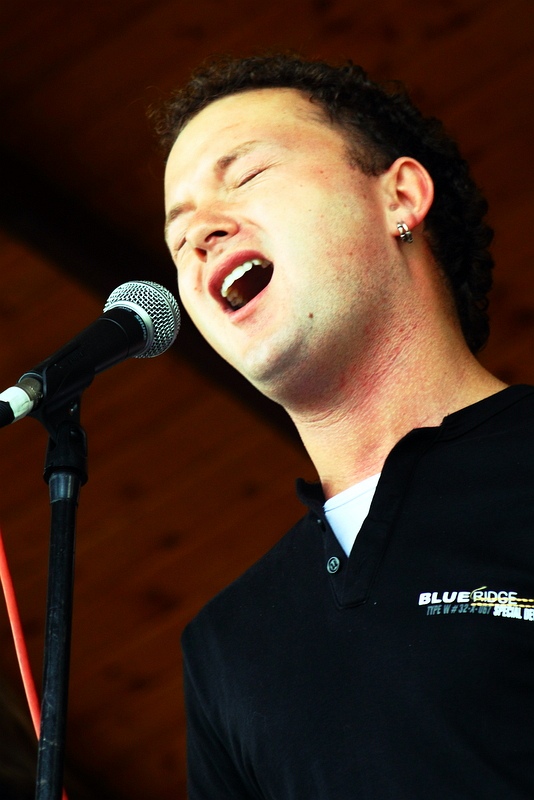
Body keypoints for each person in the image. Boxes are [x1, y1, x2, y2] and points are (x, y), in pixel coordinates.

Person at [156, 54, 534, 799]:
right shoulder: (227, 646)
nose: (200, 233)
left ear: (401, 194)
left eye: (248, 175)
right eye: (177, 237)